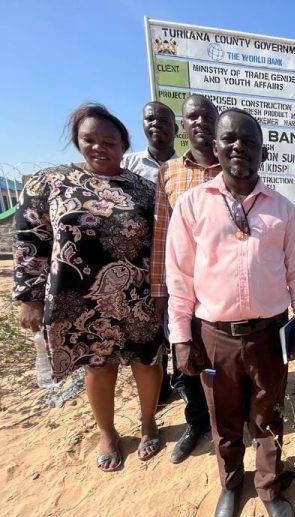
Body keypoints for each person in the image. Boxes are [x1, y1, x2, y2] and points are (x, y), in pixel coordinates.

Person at [165, 108, 295, 517]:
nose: (238, 147)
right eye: (229, 139)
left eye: (249, 141)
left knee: (268, 416)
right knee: (224, 418)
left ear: (263, 152)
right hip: (214, 338)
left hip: (269, 335)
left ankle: (268, 487)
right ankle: (230, 484)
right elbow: (179, 277)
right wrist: (181, 337)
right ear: (215, 147)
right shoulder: (192, 205)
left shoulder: (282, 209)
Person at [13, 103, 165, 471]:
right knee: (98, 365)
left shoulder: (146, 190)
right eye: (90, 140)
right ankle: (108, 433)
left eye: (109, 141)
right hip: (78, 297)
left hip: (138, 295)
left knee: (147, 361)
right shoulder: (48, 183)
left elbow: (161, 243)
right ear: (77, 141)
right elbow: (30, 239)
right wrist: (29, 296)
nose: (99, 147)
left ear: (124, 144)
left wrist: (163, 291)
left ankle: (149, 423)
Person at [151, 94, 221, 465]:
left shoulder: (233, 168)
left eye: (207, 116)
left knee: (225, 360)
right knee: (187, 360)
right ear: (183, 125)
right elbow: (161, 234)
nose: (200, 122)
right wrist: (158, 290)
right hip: (182, 289)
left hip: (223, 291)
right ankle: (196, 422)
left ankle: (230, 420)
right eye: (193, 117)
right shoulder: (170, 172)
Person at [122, 100, 178, 404]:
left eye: (164, 120)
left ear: (176, 128)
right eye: (150, 119)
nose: (156, 125)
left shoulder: (185, 168)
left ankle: (181, 384)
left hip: (177, 261)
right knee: (148, 328)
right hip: (138, 263)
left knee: (176, 323)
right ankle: (158, 391)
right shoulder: (127, 166)